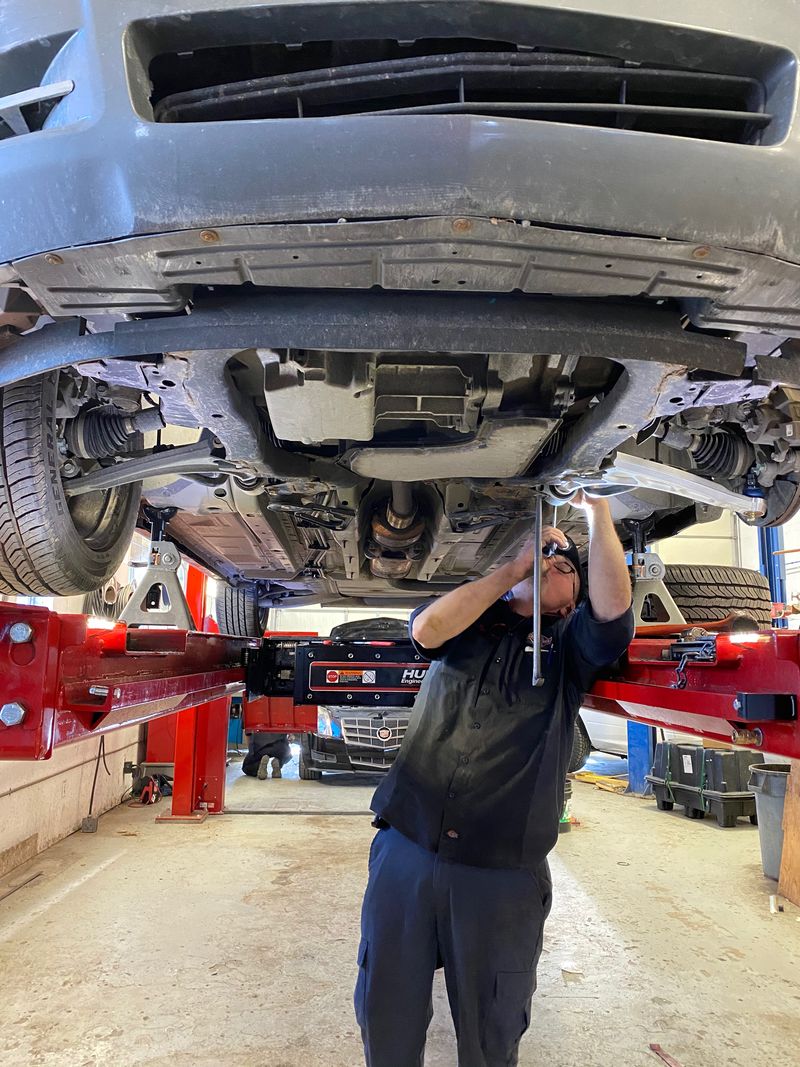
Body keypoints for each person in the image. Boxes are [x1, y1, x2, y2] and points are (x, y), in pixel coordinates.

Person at [354, 493, 634, 1067]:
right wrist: (513, 568)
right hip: (406, 851)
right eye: (547, 561)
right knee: (386, 1010)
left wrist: (598, 514)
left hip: (501, 875)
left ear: (568, 606)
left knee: (491, 1030)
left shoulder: (568, 650)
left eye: (565, 572)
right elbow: (428, 629)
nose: (552, 566)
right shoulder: (469, 628)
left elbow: (611, 610)